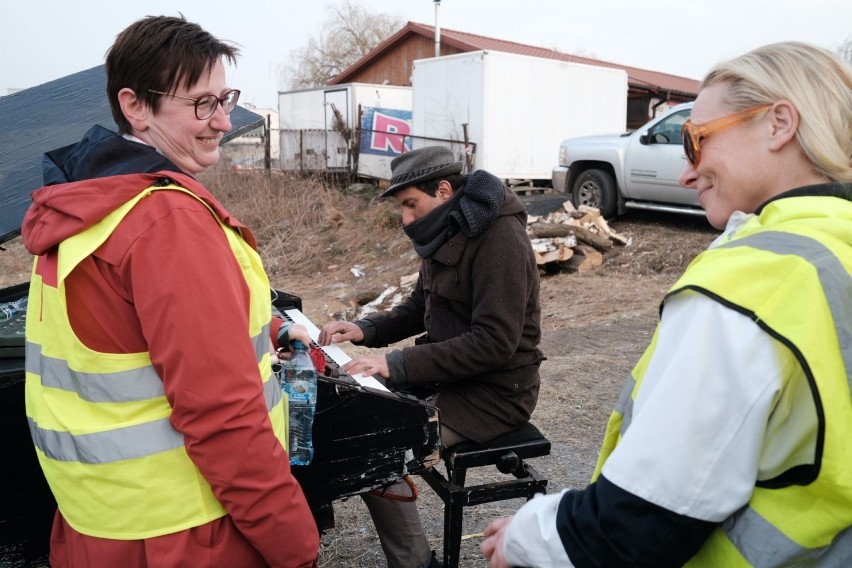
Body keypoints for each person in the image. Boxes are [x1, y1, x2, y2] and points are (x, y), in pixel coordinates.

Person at [480, 41, 852, 567]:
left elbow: (636, 523)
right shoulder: (837, 253)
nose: (685, 172)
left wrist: (525, 534)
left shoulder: (755, 281)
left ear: (779, 124)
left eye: (695, 141)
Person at [21, 15, 320, 567]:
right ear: (135, 106)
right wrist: (295, 544)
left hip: (97, 526)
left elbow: (114, 335)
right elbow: (222, 418)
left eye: (225, 99)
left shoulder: (84, 207)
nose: (224, 122)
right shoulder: (167, 223)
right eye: (202, 104)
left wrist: (269, 328)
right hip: (186, 534)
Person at [319, 145, 544, 567]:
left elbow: (495, 342)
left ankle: (418, 564)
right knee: (351, 411)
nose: (406, 219)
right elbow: (418, 306)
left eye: (410, 205)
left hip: (494, 395)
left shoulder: (499, 238)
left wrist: (396, 363)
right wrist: (366, 330)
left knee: (377, 443)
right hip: (447, 377)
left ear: (443, 190)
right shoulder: (448, 229)